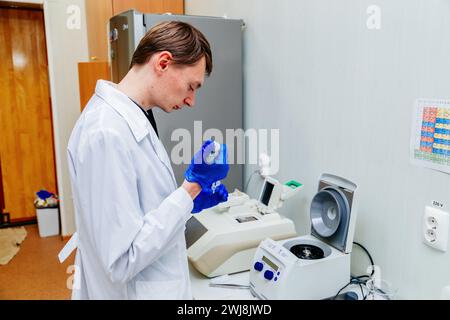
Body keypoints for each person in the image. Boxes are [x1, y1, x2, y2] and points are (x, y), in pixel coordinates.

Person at [61, 21, 230, 299]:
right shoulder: (106, 132)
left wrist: (187, 204)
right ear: (163, 62)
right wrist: (191, 188)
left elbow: (140, 213)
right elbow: (122, 259)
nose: (191, 101)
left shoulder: (135, 118)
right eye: (191, 86)